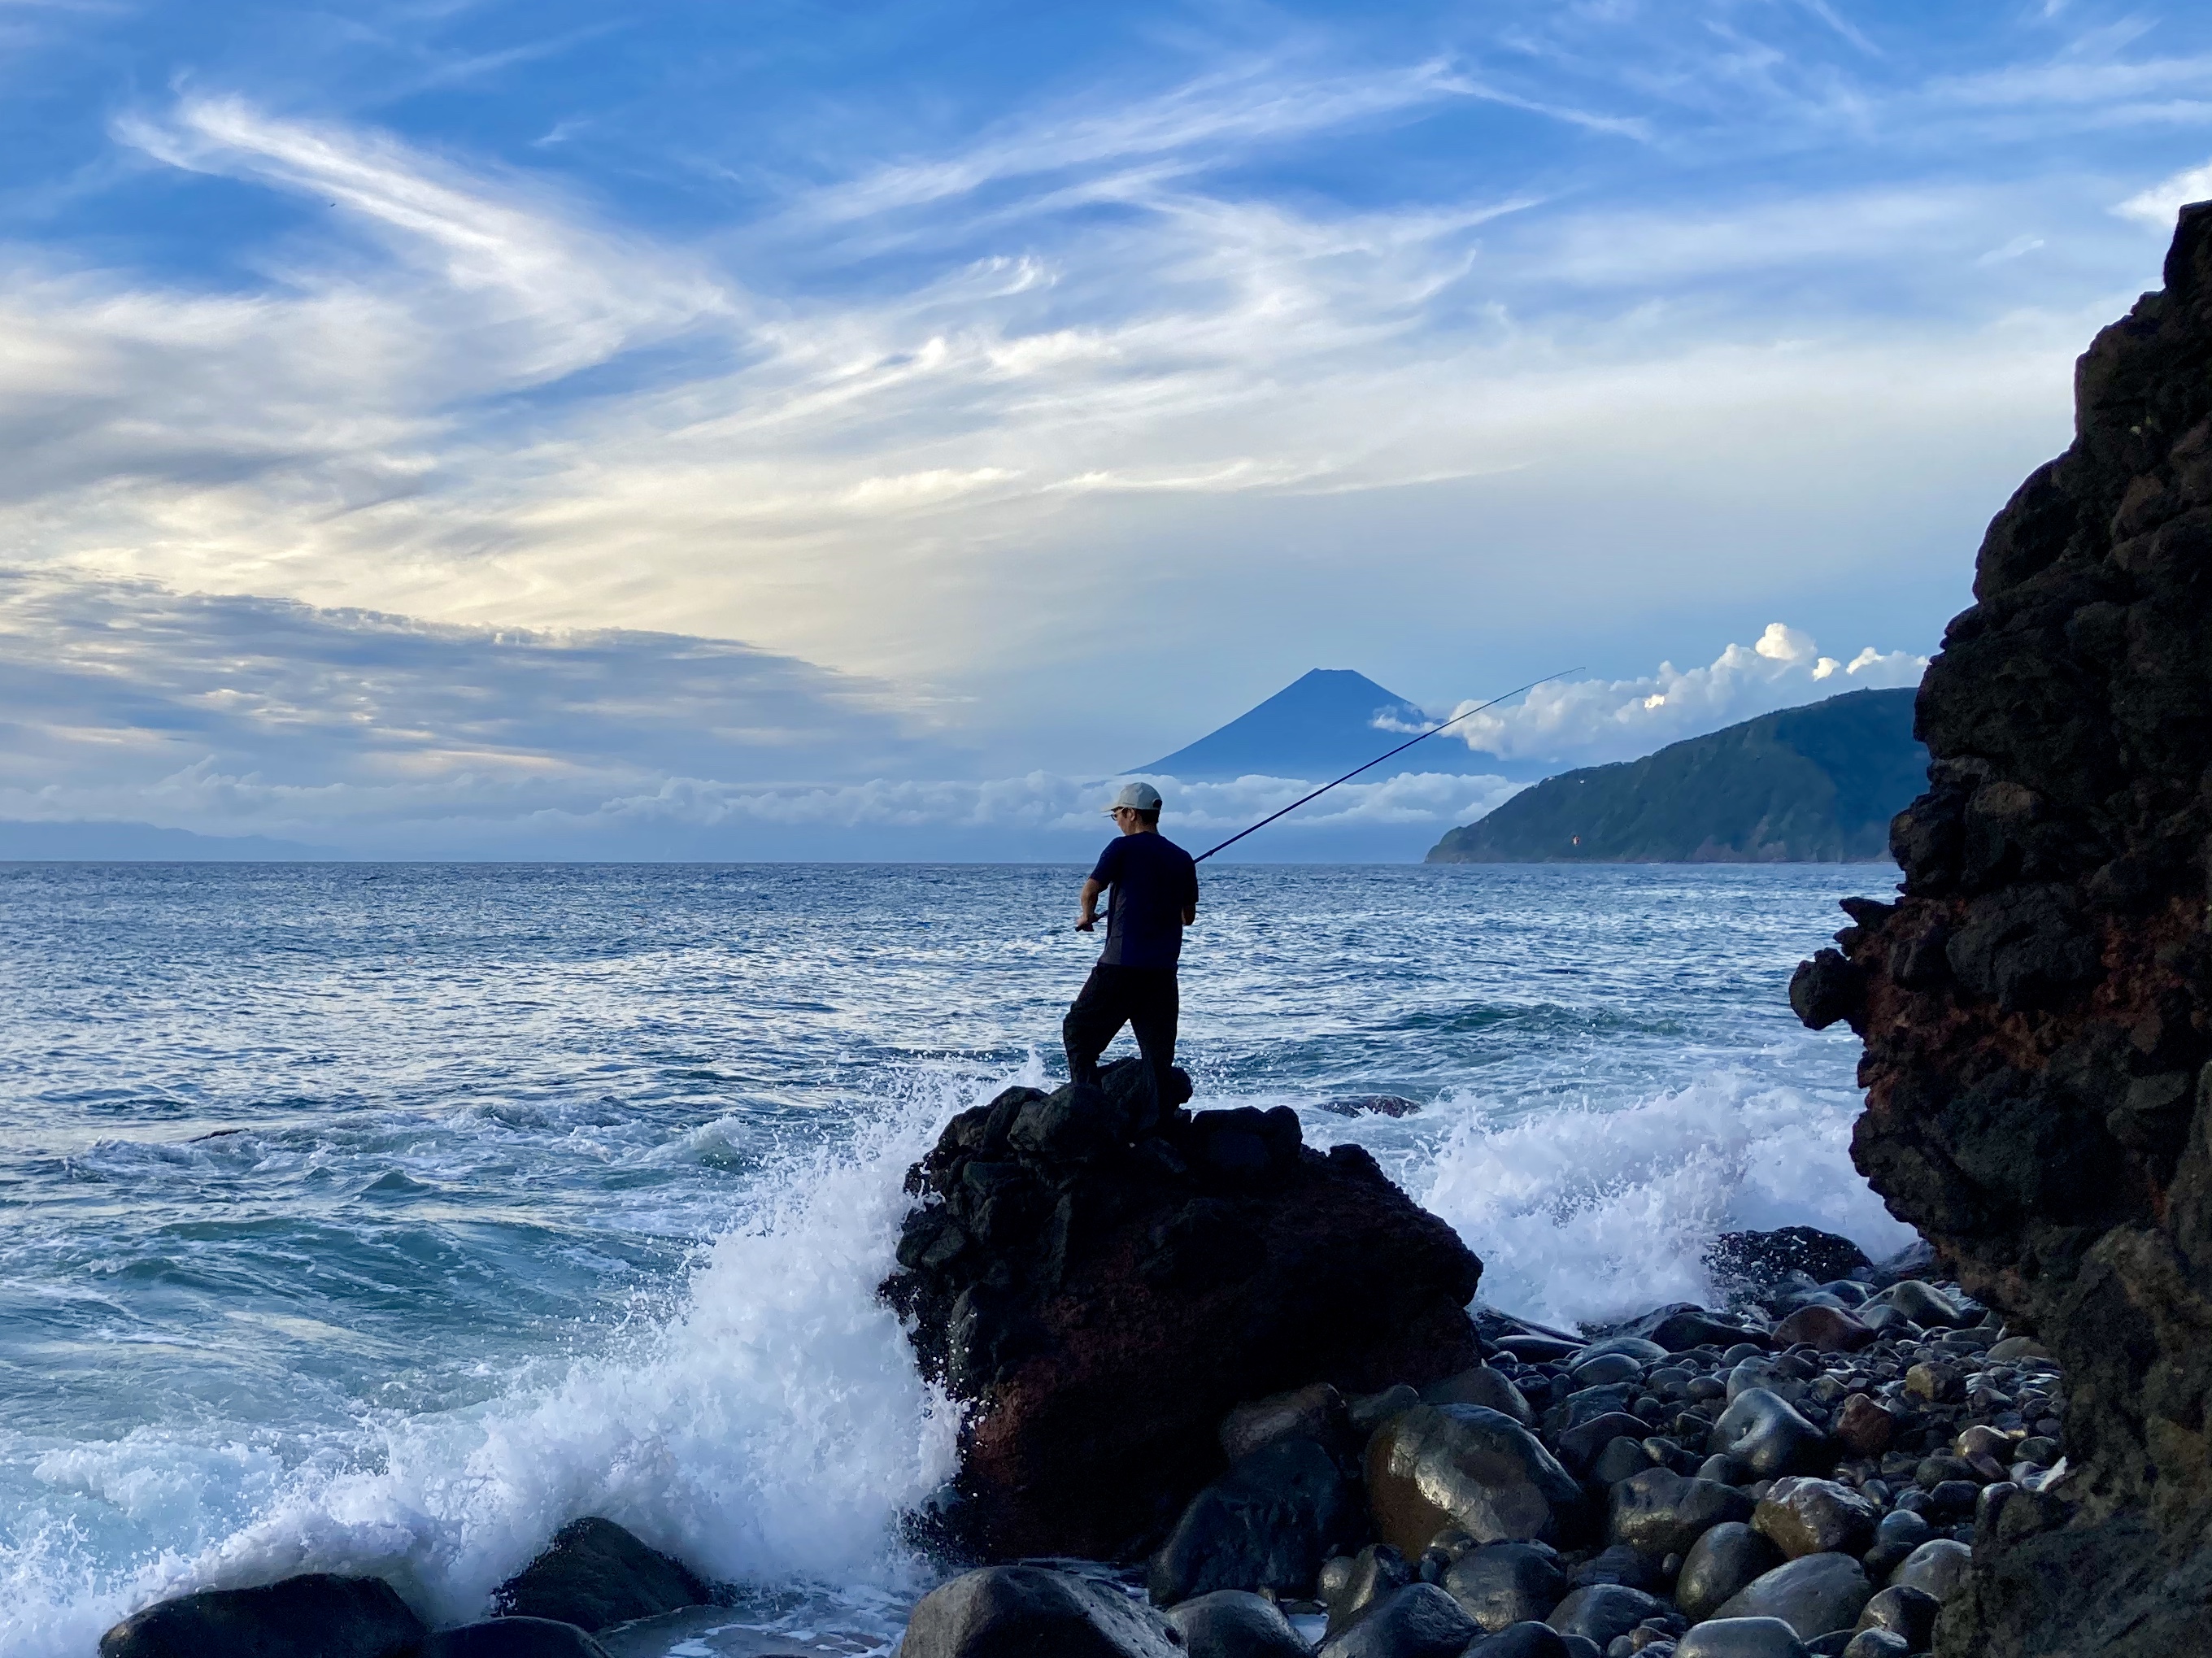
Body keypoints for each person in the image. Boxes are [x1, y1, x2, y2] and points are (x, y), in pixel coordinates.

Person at [1065, 781, 1200, 1124]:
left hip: (1119, 967)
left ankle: (1089, 1116)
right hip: (1163, 972)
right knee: (1156, 1059)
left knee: (1078, 1034)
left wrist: (1086, 917)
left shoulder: (1120, 848)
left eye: (1116, 815)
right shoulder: (1182, 858)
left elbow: (1090, 891)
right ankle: (1155, 1132)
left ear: (1130, 813)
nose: (1117, 821)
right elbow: (1188, 917)